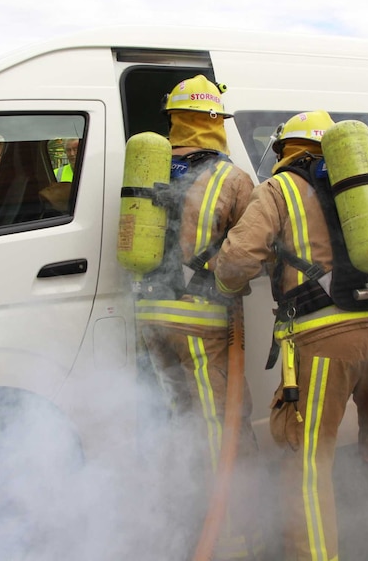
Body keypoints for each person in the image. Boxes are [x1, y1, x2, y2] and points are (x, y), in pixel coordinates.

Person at [214, 111, 368, 561]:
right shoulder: (358, 187)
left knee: (309, 459)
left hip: (324, 337)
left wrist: (225, 284)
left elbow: (236, 259)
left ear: (285, 148)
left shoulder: (280, 187)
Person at [133, 74, 264, 560]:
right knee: (223, 427)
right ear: (214, 121)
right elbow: (253, 251)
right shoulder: (232, 179)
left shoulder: (146, 169)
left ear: (174, 120)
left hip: (150, 314)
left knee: (178, 422)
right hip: (201, 321)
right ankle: (234, 539)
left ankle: (182, 523)